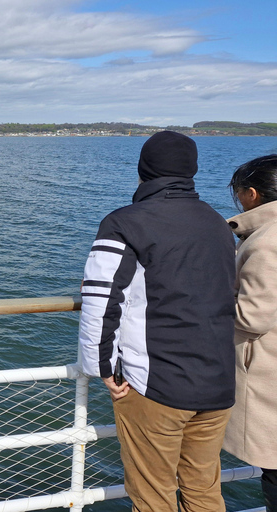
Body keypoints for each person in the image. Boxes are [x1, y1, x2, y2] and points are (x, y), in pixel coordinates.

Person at [78, 131, 236, 511]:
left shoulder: (125, 223)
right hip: (217, 384)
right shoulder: (218, 224)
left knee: (153, 497)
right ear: (192, 171)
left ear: (142, 170)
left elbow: (100, 301)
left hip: (158, 386)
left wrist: (103, 369)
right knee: (203, 491)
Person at [222, 155, 277, 512]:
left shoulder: (266, 241)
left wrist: (206, 298)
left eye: (239, 192)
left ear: (253, 194)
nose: (239, 200)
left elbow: (252, 317)